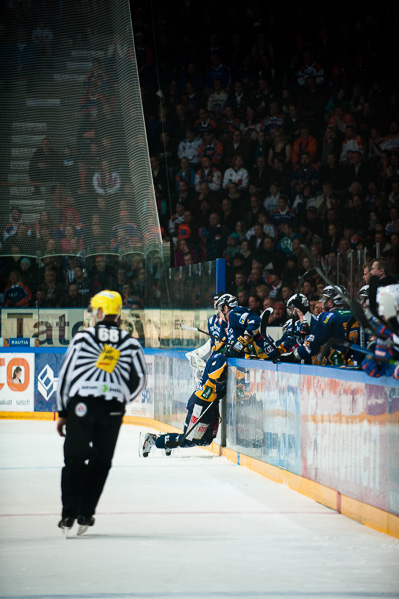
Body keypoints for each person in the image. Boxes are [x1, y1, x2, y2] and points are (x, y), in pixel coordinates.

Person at [56, 290, 147, 536]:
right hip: (112, 409)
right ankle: (86, 512)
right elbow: (140, 379)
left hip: (81, 404)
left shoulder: (83, 337)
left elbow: (65, 375)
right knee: (101, 461)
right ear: (118, 314)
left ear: (99, 312)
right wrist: (119, 399)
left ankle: (68, 513)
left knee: (74, 458)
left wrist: (63, 411)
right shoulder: (129, 341)